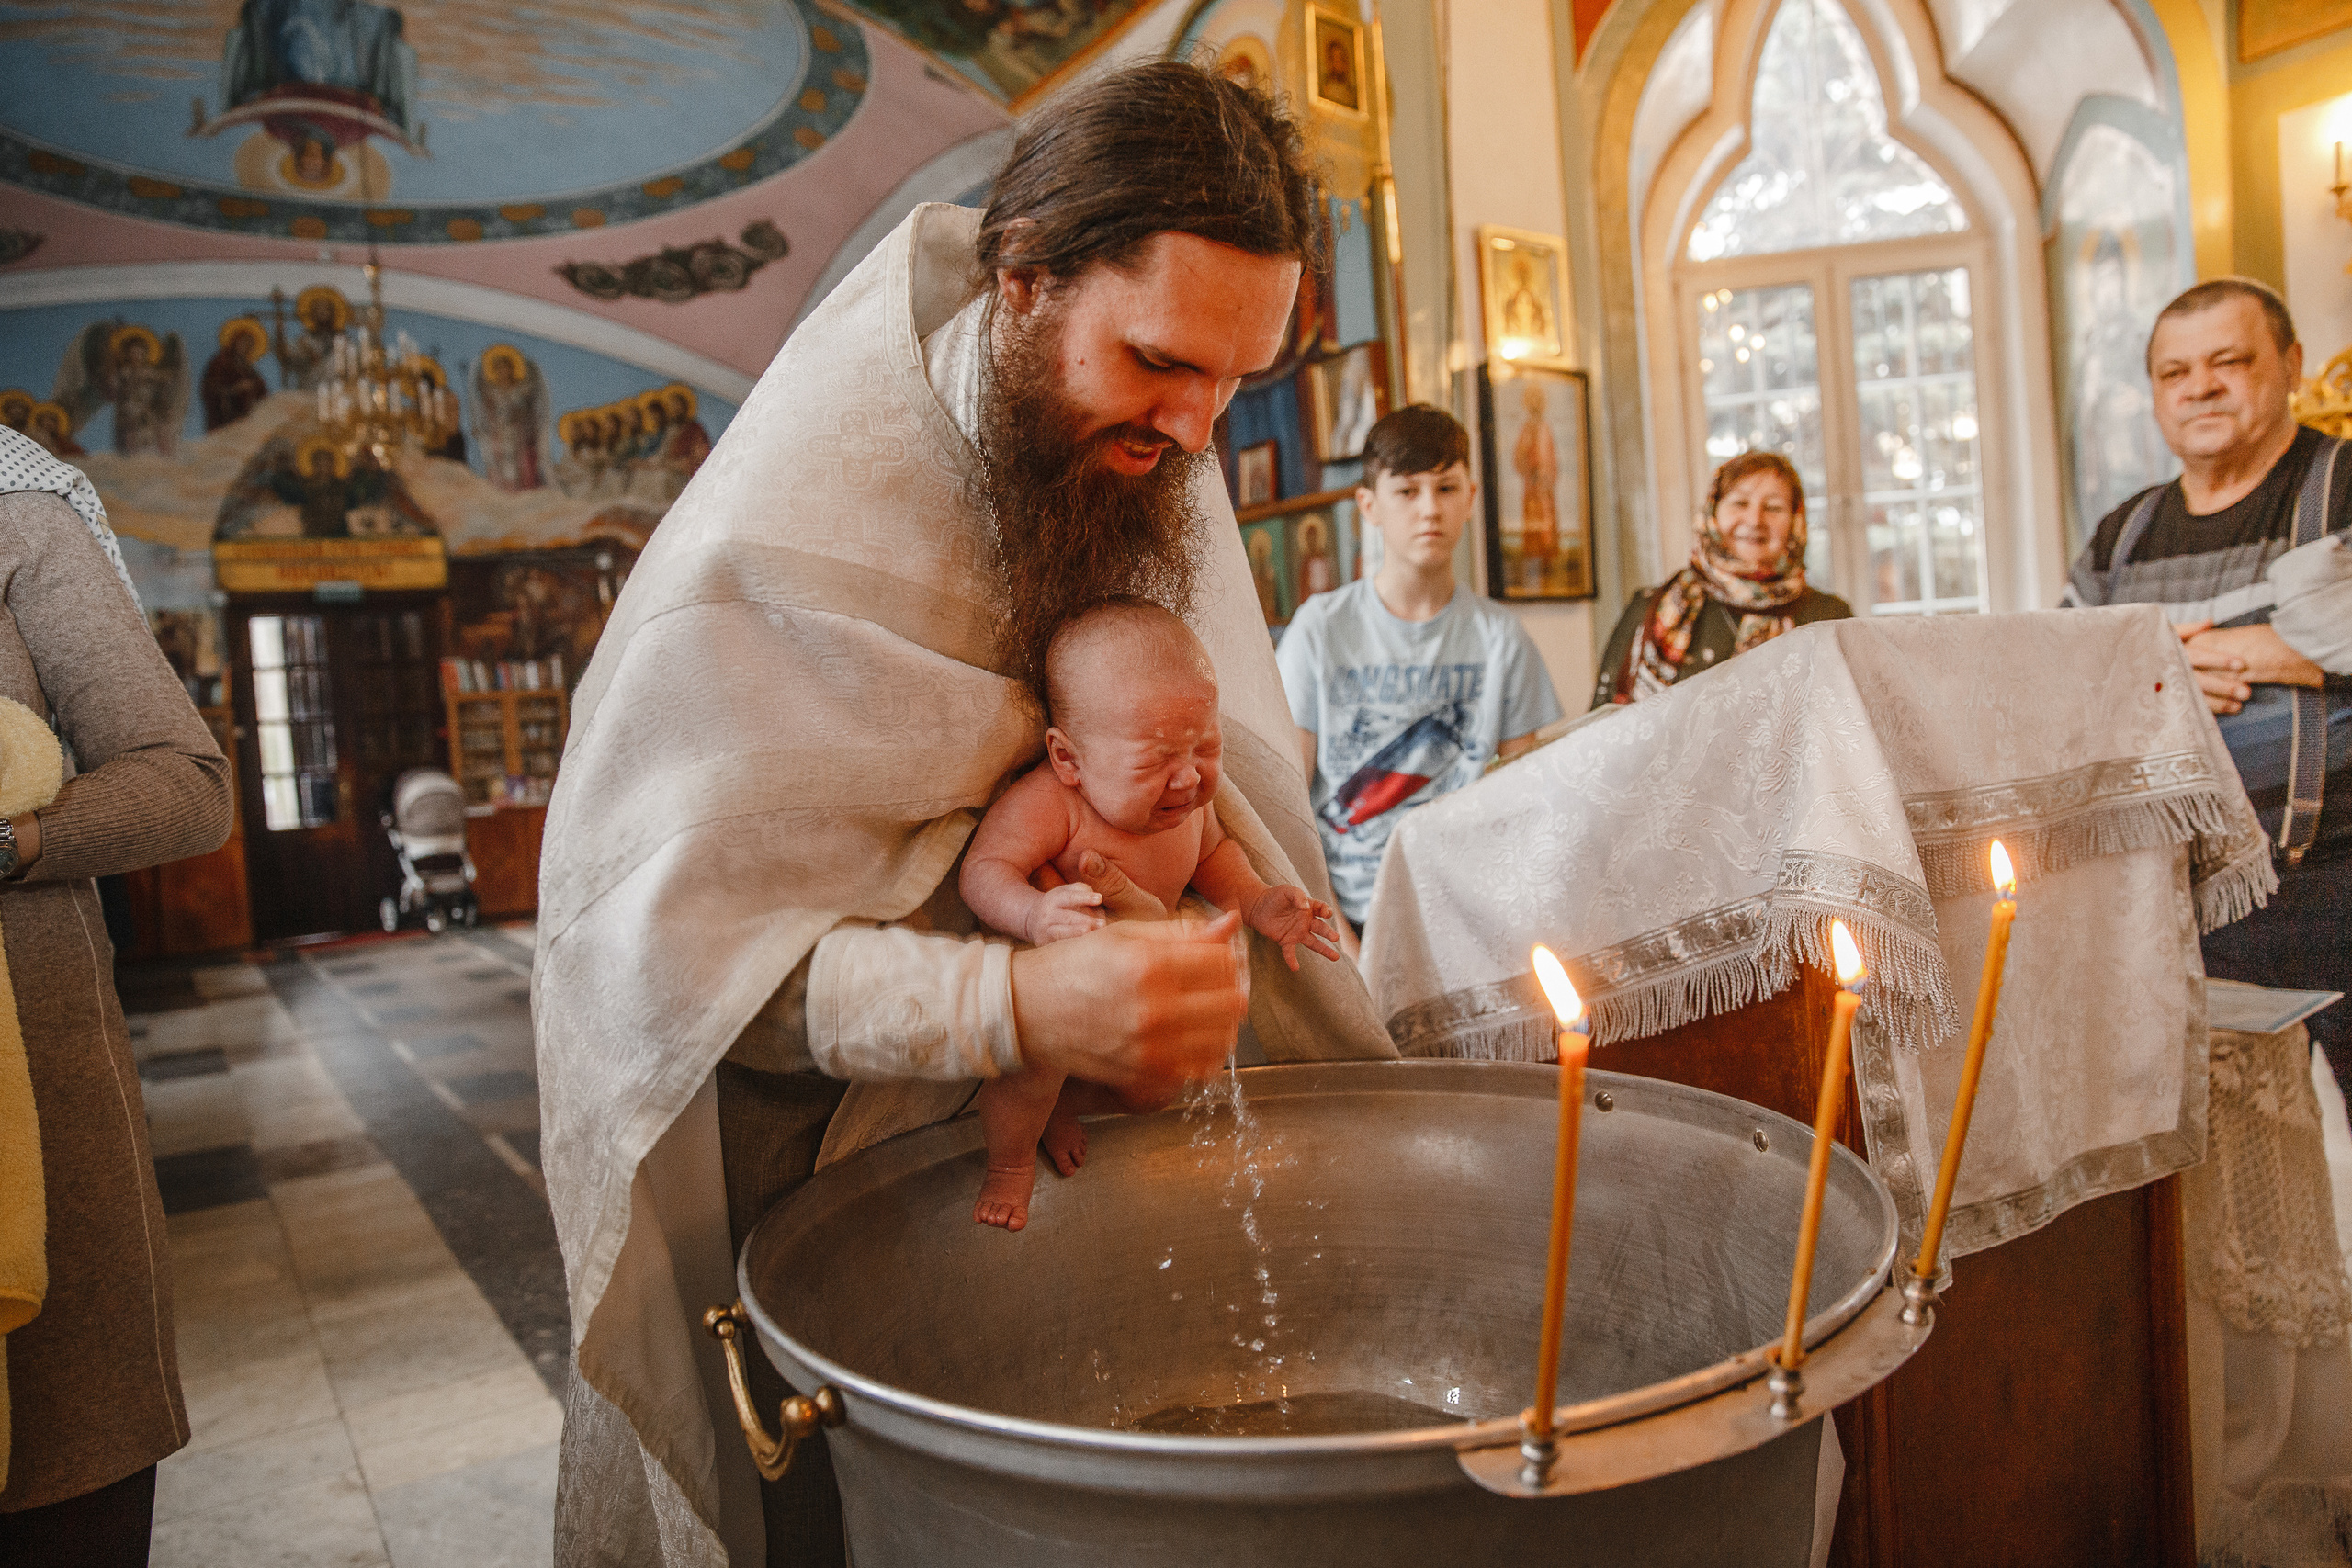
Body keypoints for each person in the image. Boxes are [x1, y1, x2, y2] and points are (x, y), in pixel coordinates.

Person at [533, 61, 1394, 1568]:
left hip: (1072, 1175)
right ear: (1023, 282)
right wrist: (1009, 991)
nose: (1197, 434)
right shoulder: (787, 538)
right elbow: (677, 975)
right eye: (1158, 364)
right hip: (803, 1203)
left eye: (1234, 381)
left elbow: (1222, 786)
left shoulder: (1139, 458)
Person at [0, 428, 233, 1562]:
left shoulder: (16, 509)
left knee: (59, 1478)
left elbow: (186, 787)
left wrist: (12, 839)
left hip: (29, 1113)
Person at [959, 601, 1339, 1230]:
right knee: (1031, 1071)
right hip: (1059, 992)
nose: (1188, 776)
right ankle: (1008, 1162)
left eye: (1206, 746)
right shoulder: (1055, 805)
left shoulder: (1186, 807)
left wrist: (1260, 901)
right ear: (1068, 759)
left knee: (1161, 1085)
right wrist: (1033, 913)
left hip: (1135, 996)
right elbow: (983, 870)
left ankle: (1065, 1104)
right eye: (1154, 761)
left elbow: (1216, 856)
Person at [2062, 277, 2352, 1086]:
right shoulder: (2124, 535)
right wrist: (2162, 668)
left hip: (2340, 878)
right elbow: (2065, 690)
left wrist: (2244, 651)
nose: (2201, 387)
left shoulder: (2342, 483)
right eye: (2175, 372)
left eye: (2229, 361)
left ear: (2291, 365)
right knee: (2235, 1165)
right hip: (2191, 904)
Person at [1276, 405, 1564, 936]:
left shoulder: (1500, 637)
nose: (1429, 509)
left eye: (1446, 488)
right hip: (1349, 916)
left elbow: (1529, 796)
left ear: (1471, 498)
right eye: (1407, 491)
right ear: (1369, 505)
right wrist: (1336, 935)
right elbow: (1286, 805)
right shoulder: (1320, 630)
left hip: (1474, 916)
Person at [1591, 450, 1851, 707]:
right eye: (1739, 503)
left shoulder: (1830, 617)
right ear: (1712, 513)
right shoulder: (1651, 607)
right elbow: (1603, 726)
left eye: (1773, 508)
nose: (1754, 519)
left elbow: (1850, 726)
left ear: (1796, 521)